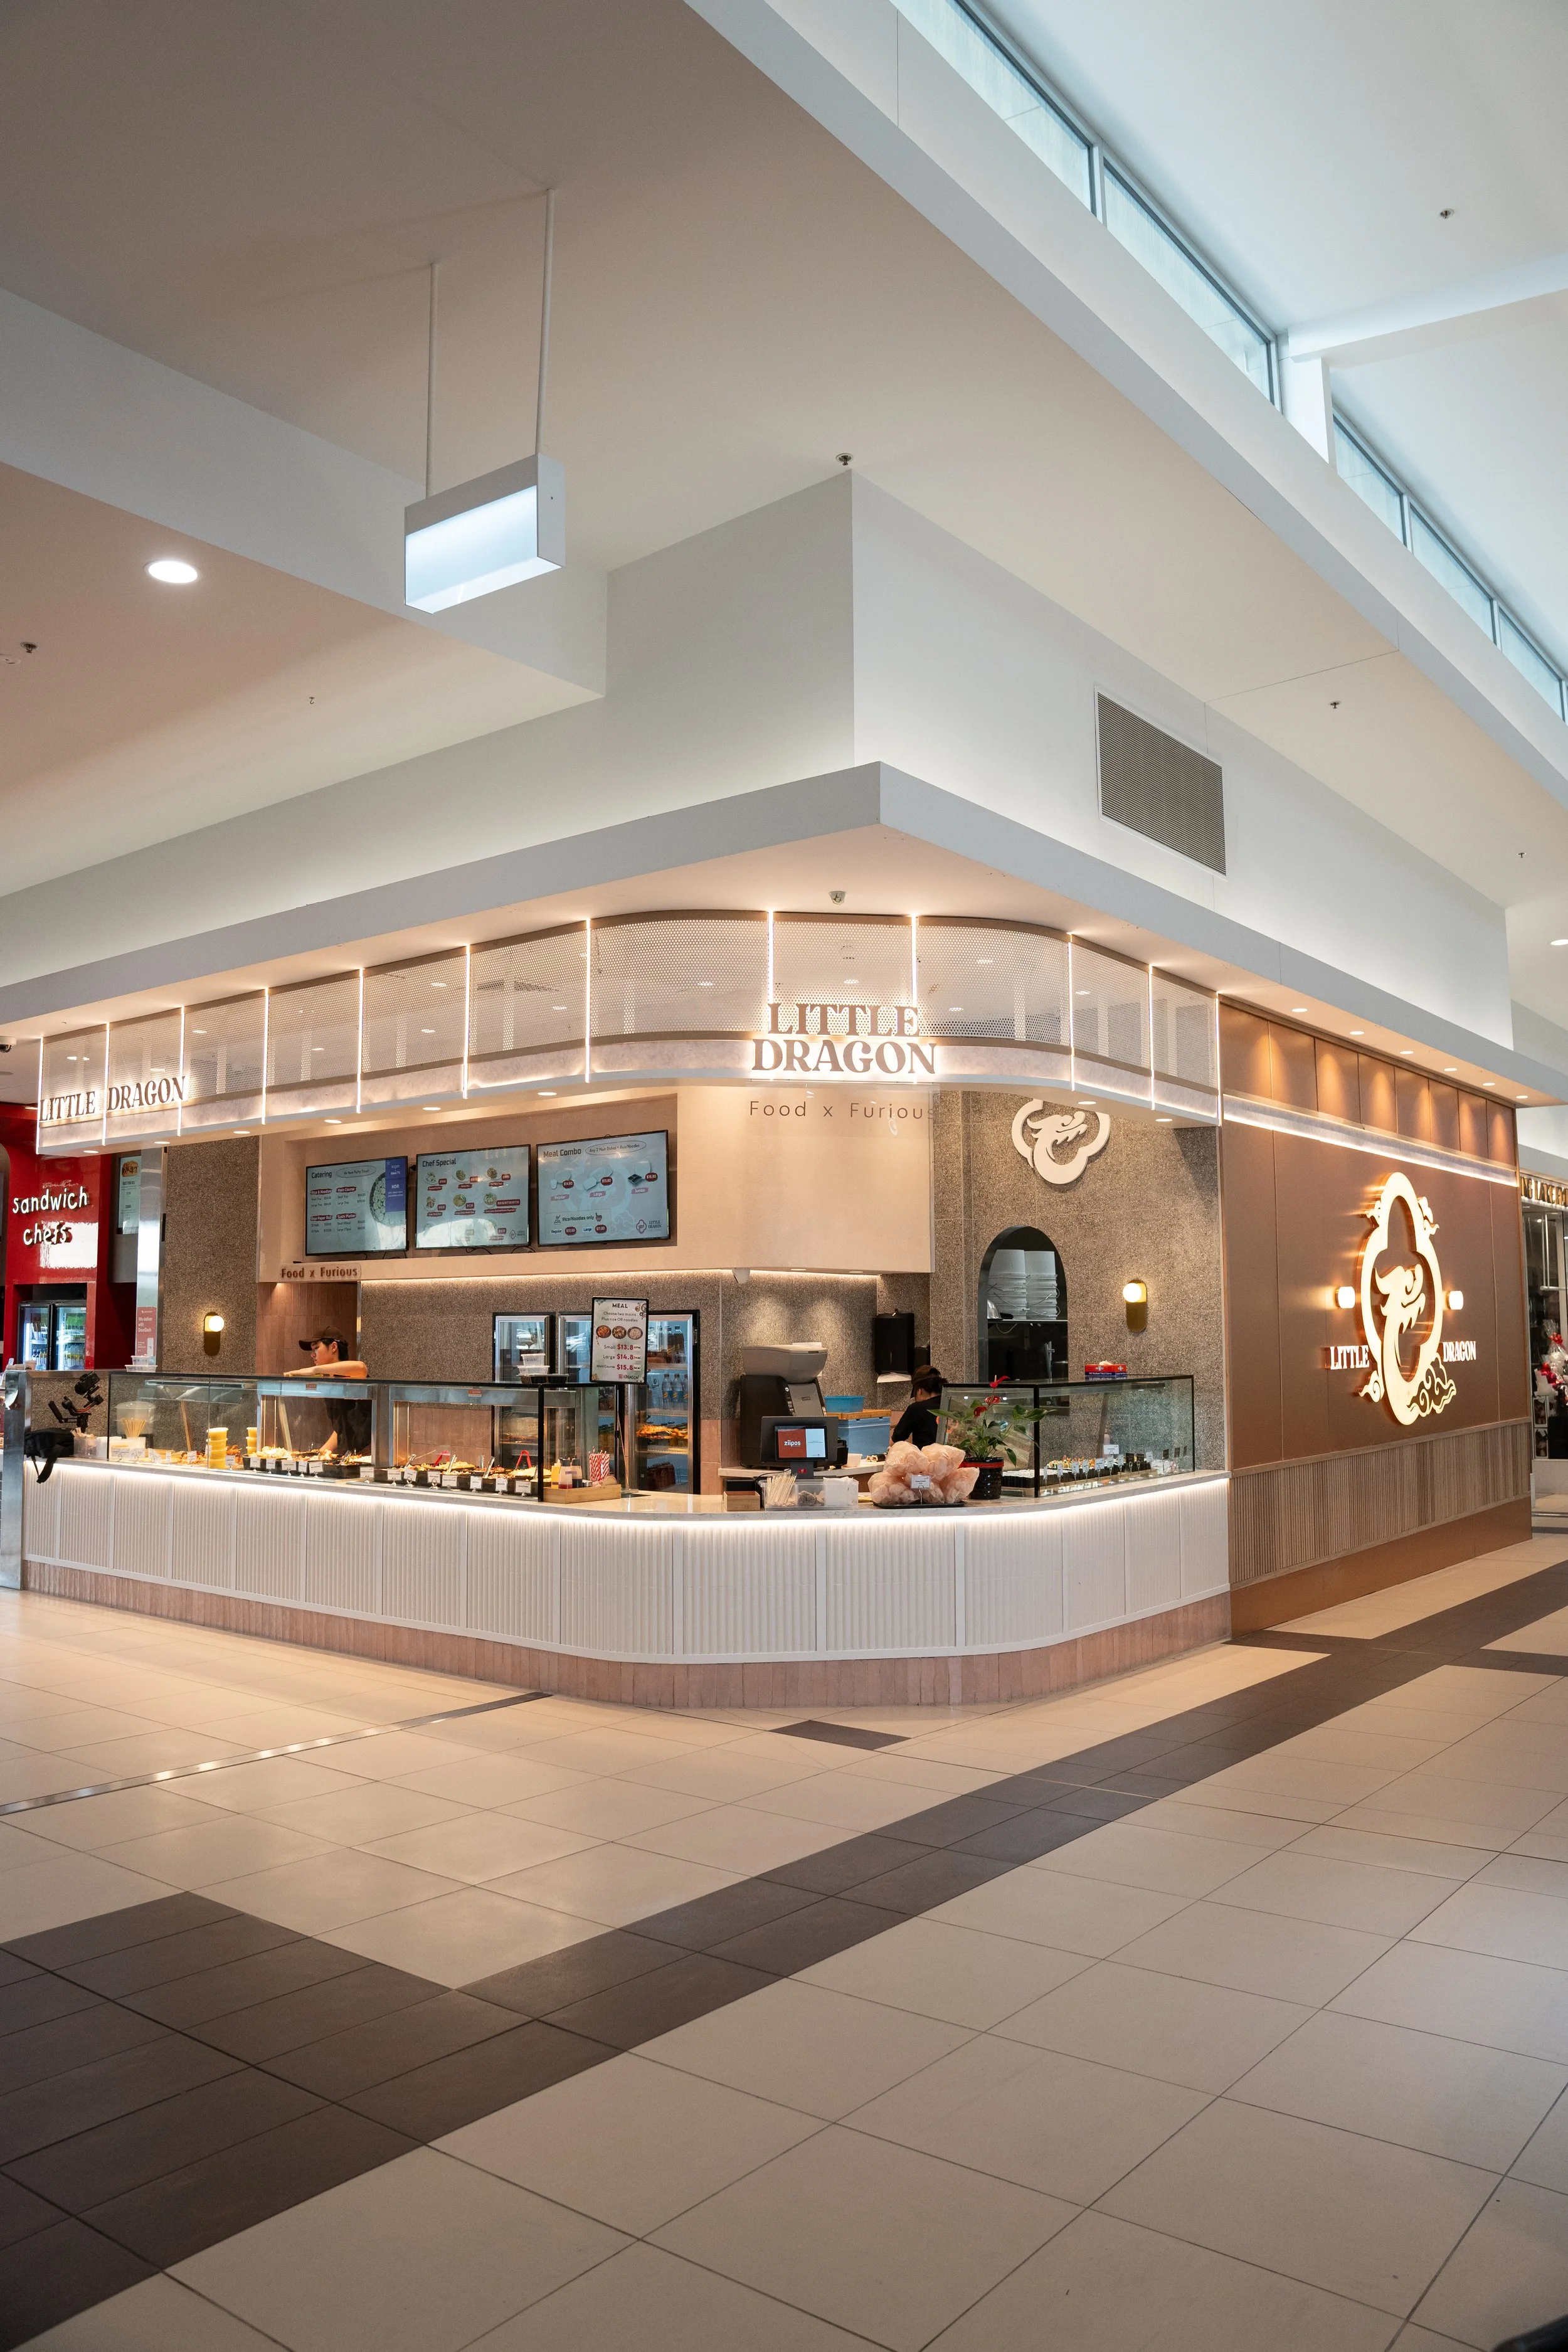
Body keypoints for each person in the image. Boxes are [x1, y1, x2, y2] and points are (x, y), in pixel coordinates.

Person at [285, 1328, 371, 1456]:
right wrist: (320, 1454)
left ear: (334, 1347)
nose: (312, 1354)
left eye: (316, 1348)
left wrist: (313, 1370)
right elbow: (340, 1429)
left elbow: (362, 1368)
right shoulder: (331, 1383)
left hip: (367, 1456)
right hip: (346, 1456)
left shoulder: (353, 1375)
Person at [891, 1365, 945, 1451]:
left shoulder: (917, 1408)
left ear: (920, 1391)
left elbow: (896, 1440)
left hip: (925, 1462)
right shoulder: (952, 1405)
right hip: (953, 1461)